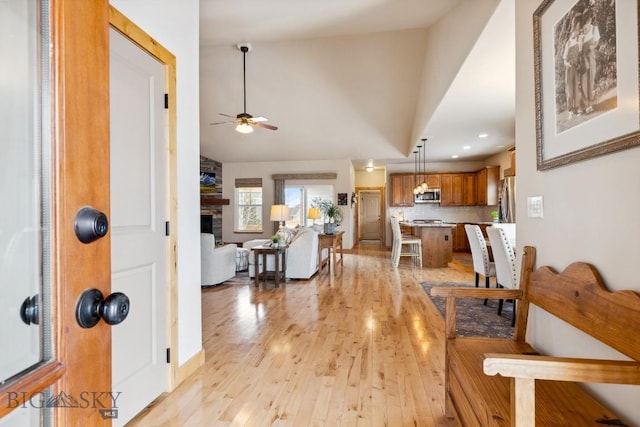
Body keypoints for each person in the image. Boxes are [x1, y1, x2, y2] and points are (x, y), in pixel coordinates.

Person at [580, 13, 600, 114]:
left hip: (591, 56)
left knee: (591, 80)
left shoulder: (594, 29)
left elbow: (597, 42)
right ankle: (586, 105)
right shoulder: (582, 32)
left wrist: (592, 46)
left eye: (588, 21)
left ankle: (590, 104)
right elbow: (579, 47)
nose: (586, 24)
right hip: (583, 58)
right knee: (584, 81)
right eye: (585, 22)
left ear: (590, 20)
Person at [562, 19, 583, 118]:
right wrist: (568, 64)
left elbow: (579, 56)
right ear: (572, 31)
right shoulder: (568, 43)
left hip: (575, 68)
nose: (577, 32)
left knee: (576, 88)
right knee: (569, 90)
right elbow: (564, 60)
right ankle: (570, 109)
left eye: (578, 30)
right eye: (576, 30)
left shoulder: (579, 43)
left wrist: (578, 63)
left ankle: (577, 108)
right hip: (569, 69)